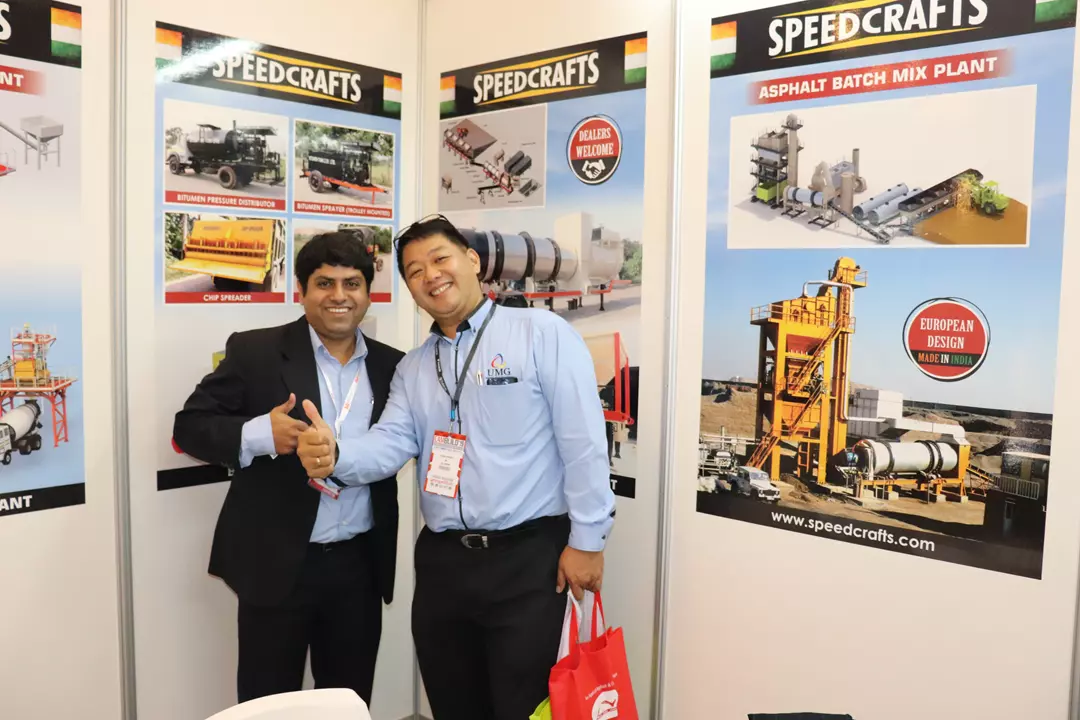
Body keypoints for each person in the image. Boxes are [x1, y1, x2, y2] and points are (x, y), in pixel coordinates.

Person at [295, 214, 616, 719]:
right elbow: (390, 443)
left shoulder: (541, 334)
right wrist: (337, 454)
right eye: (414, 270)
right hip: (444, 566)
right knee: (453, 703)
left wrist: (588, 541)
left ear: (472, 261)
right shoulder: (414, 367)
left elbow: (584, 443)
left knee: (524, 706)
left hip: (529, 561)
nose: (430, 275)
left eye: (440, 258)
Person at [172, 231, 404, 706]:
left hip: (358, 567)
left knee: (347, 703)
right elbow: (190, 426)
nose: (339, 296)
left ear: (367, 293)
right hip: (276, 565)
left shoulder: (393, 366)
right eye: (324, 283)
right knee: (269, 704)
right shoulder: (255, 352)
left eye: (352, 283)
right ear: (301, 290)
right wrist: (260, 434)